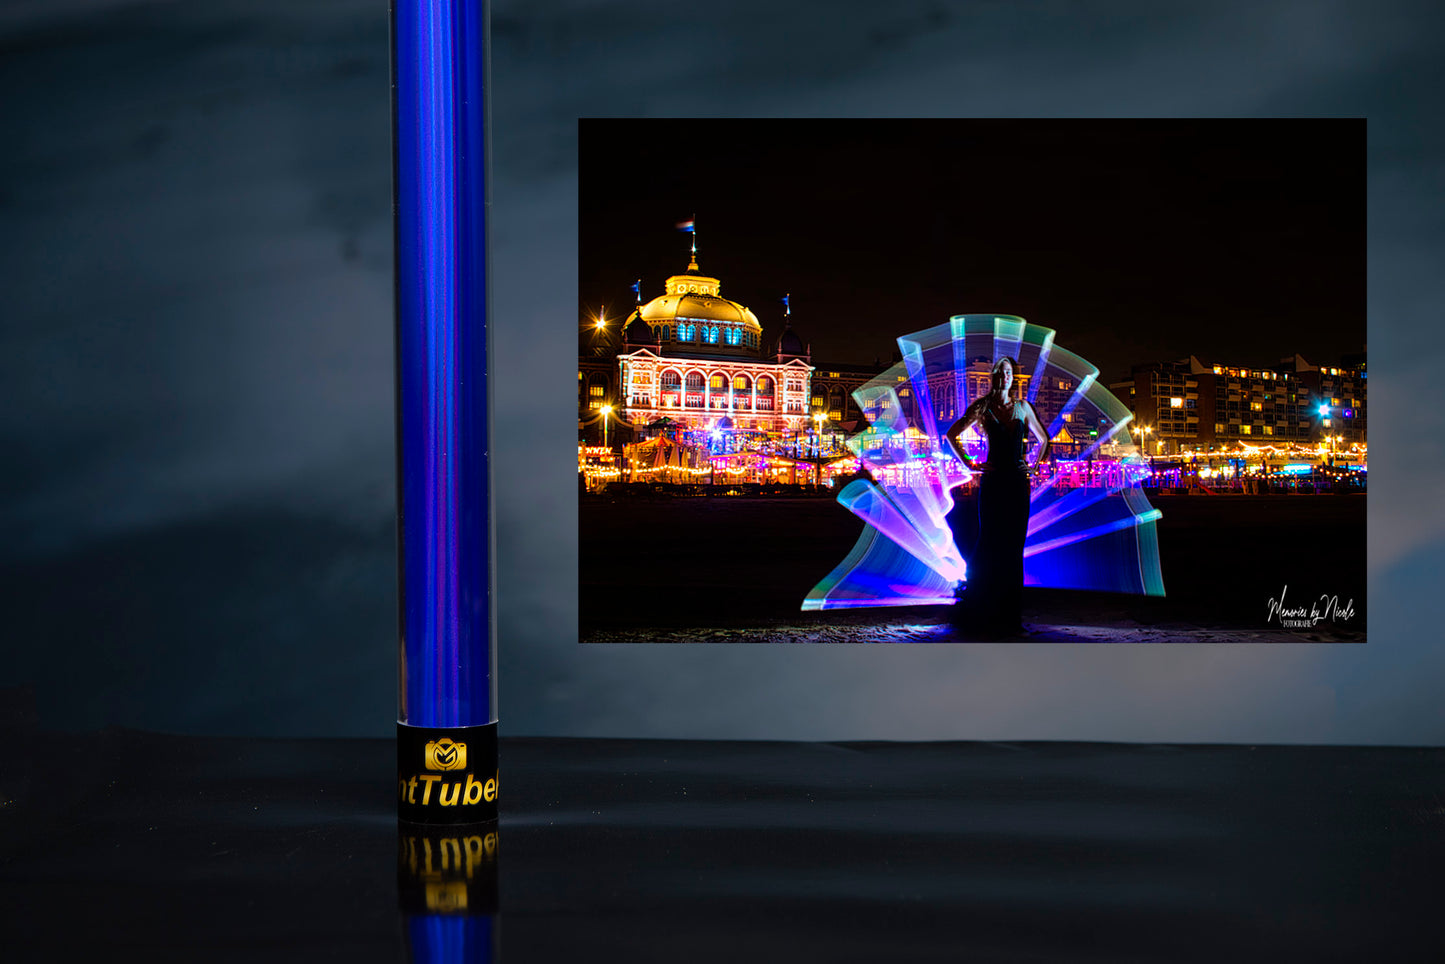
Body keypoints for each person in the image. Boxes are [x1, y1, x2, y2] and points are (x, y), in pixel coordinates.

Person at [943, 357, 1051, 635]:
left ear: (1013, 378)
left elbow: (1044, 439)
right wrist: (969, 463)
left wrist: (1034, 465)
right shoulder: (983, 407)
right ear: (993, 377)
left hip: (1017, 481)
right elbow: (952, 434)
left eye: (1009, 373)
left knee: (1014, 545)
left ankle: (1009, 613)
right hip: (992, 482)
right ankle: (981, 607)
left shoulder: (1023, 408)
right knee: (989, 541)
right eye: (1000, 373)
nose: (1004, 377)